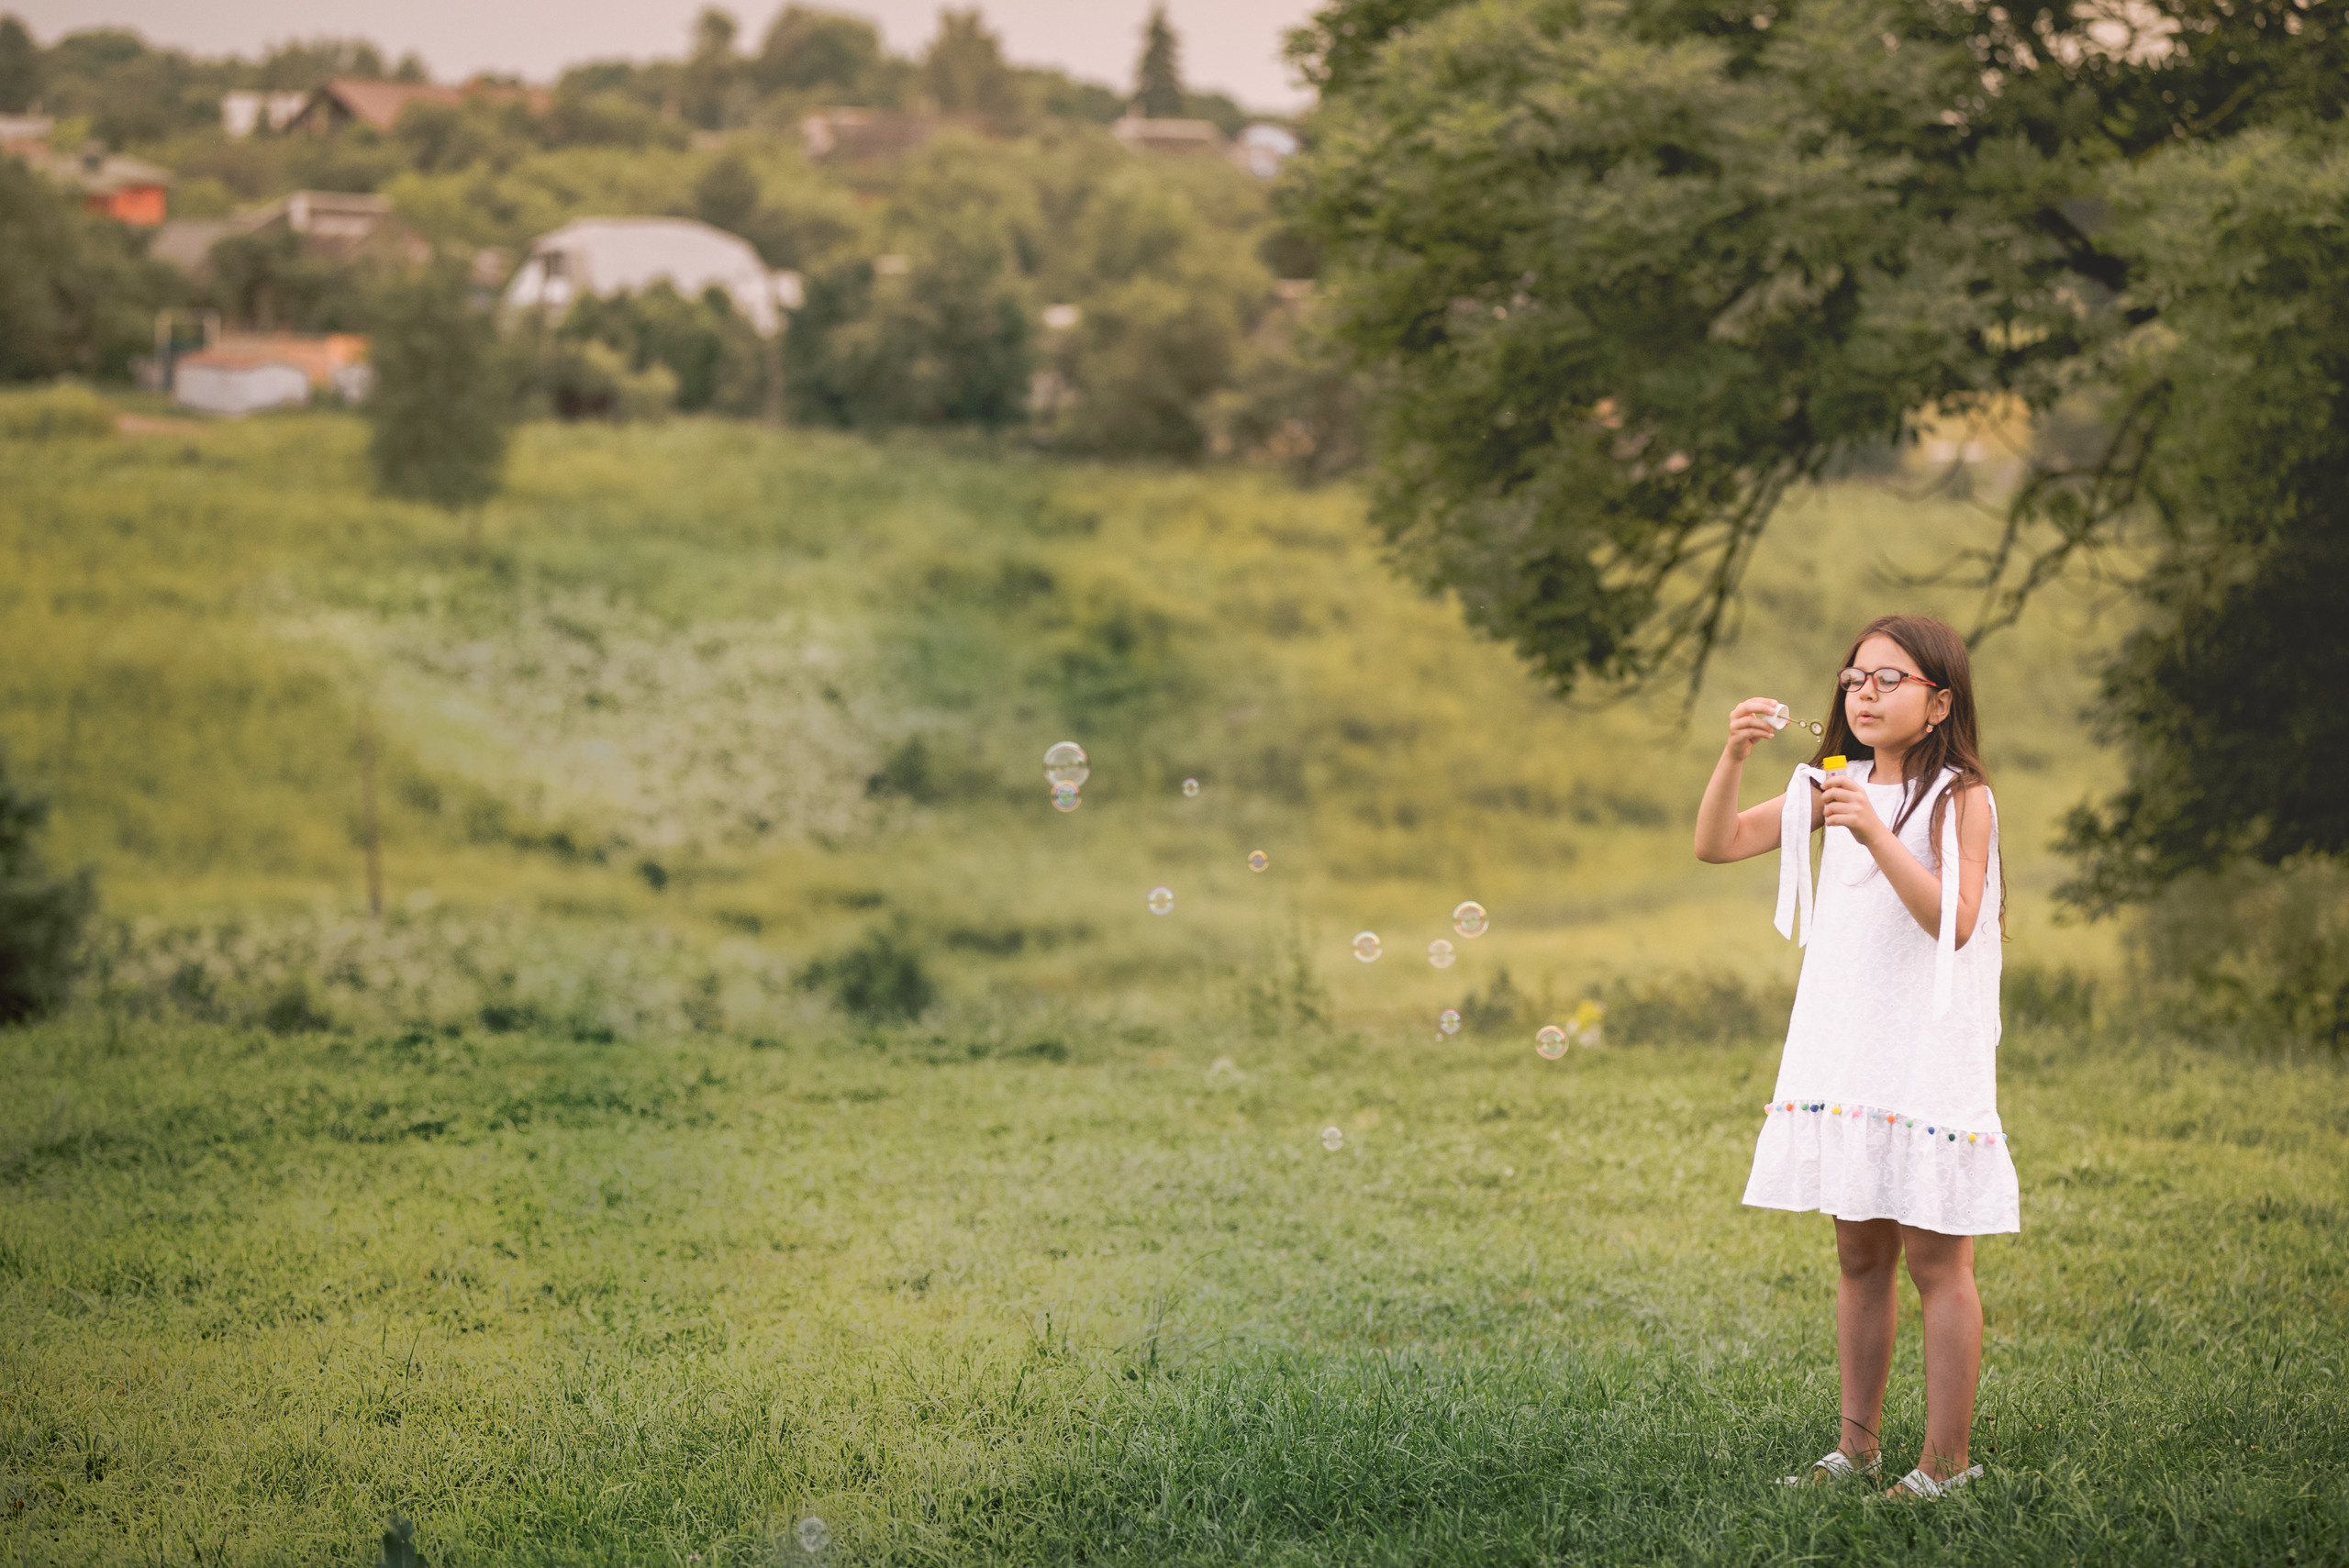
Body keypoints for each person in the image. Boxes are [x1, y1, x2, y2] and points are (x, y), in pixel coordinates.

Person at [1692, 613, 2015, 1500]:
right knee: (1858, 1255)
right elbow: (1715, 842)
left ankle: (1945, 1464)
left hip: (1926, 1052)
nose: (1863, 694)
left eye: (1889, 680)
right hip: (1849, 1045)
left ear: (1938, 701)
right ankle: (1858, 1450)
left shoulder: (1959, 798)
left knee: (1936, 1261)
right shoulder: (1828, 782)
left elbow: (1954, 920)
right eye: (1854, 679)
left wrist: (1872, 830)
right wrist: (1733, 756)